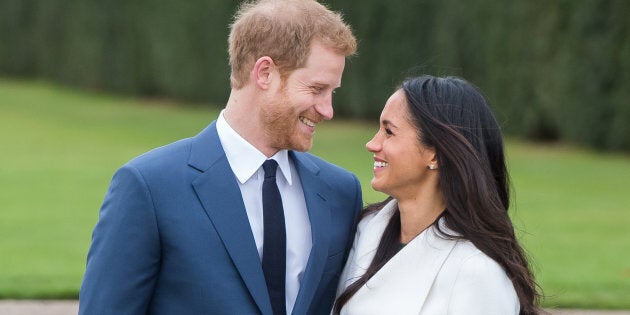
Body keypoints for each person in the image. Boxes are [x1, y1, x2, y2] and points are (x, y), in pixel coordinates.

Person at [79, 1, 361, 314]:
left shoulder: (340, 192)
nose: (328, 110)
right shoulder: (149, 188)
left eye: (331, 92)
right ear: (265, 72)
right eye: (317, 88)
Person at [333, 75, 541, 315]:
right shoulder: (366, 229)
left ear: (435, 155)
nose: (372, 144)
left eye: (389, 132)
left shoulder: (477, 271)